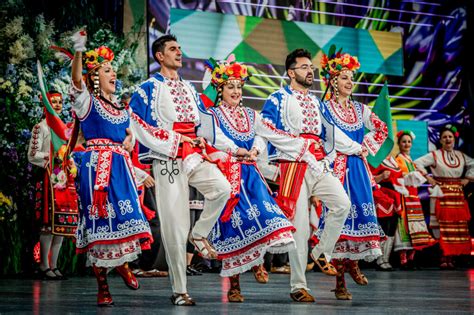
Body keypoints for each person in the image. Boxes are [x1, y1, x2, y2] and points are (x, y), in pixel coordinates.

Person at [129, 34, 250, 306]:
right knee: (175, 225)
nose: (179, 53)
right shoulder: (148, 88)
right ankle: (179, 290)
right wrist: (174, 141)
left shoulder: (190, 88)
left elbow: (204, 124)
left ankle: (200, 233)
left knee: (221, 188)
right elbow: (137, 122)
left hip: (194, 154)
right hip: (168, 157)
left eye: (180, 49)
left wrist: (226, 147)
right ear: (160, 56)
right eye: (173, 49)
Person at [70, 30, 155, 307]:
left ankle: (122, 266)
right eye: (107, 70)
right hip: (97, 170)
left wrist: (130, 142)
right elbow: (76, 80)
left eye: (114, 70)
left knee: (125, 219)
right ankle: (103, 285)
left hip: (120, 168)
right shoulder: (87, 102)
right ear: (95, 76)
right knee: (99, 223)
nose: (113, 74)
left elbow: (128, 136)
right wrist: (80, 50)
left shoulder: (121, 108)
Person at [260, 48, 352, 303]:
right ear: (291, 72)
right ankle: (298, 285)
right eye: (303, 67)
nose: (310, 71)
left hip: (317, 164)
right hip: (293, 165)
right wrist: (285, 152)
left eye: (311, 67)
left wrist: (355, 148)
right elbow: (264, 127)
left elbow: (328, 133)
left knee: (342, 204)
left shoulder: (315, 102)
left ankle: (321, 252)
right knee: (299, 228)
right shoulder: (278, 98)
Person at [204, 56, 297, 302]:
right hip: (228, 175)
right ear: (220, 89)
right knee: (234, 224)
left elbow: (262, 134)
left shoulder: (250, 114)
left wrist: (255, 149)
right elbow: (213, 139)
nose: (235, 91)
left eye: (238, 86)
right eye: (229, 86)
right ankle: (234, 285)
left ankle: (257, 262)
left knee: (265, 215)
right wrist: (236, 150)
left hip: (251, 174)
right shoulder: (212, 114)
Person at [316, 46, 387, 300]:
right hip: (336, 168)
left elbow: (381, 128)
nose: (349, 82)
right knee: (339, 221)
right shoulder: (323, 109)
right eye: (344, 77)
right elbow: (326, 139)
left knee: (360, 217)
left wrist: (365, 148)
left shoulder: (360, 110)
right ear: (332, 81)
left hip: (357, 167)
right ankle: (340, 281)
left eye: (351, 77)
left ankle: (354, 263)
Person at [28, 90, 78, 280]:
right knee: (48, 225)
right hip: (49, 179)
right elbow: (33, 155)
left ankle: (55, 265)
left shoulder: (63, 128)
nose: (57, 105)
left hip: (63, 180)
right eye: (53, 102)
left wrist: (70, 163)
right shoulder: (40, 127)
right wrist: (51, 157)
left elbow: (67, 152)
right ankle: (43, 265)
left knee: (62, 226)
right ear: (46, 105)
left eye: (59, 102)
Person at [415, 125, 473, 268]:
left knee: (457, 225)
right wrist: (428, 178)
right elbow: (416, 163)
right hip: (441, 193)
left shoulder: (461, 156)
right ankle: (443, 256)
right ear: (440, 140)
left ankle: (454, 256)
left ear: (454, 139)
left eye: (450, 137)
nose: (448, 139)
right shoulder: (435, 155)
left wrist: (468, 178)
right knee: (441, 226)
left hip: (457, 195)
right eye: (445, 137)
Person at [394, 130, 436, 269]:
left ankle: (412, 258)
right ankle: (403, 259)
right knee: (405, 227)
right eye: (404, 141)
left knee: (416, 226)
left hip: (414, 197)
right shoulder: (398, 159)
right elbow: (398, 177)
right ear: (399, 144)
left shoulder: (410, 159)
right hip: (405, 196)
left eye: (409, 142)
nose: (407, 144)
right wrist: (409, 175)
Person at [370, 156, 408, 271]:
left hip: (395, 195)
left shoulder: (393, 160)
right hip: (383, 196)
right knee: (384, 228)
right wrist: (381, 176)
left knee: (391, 229)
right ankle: (379, 260)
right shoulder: (374, 160)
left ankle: (385, 259)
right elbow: (369, 180)